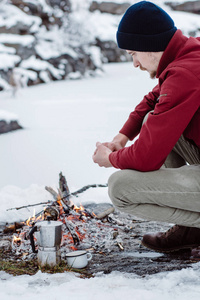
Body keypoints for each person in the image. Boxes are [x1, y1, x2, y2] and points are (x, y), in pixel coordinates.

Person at [92, 1, 200, 258]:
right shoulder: (189, 52)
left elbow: (146, 158)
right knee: (154, 116)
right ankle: (191, 231)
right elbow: (155, 98)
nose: (135, 64)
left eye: (133, 54)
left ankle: (195, 226)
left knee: (120, 189)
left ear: (151, 47)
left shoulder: (184, 74)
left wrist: (110, 159)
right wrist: (122, 136)